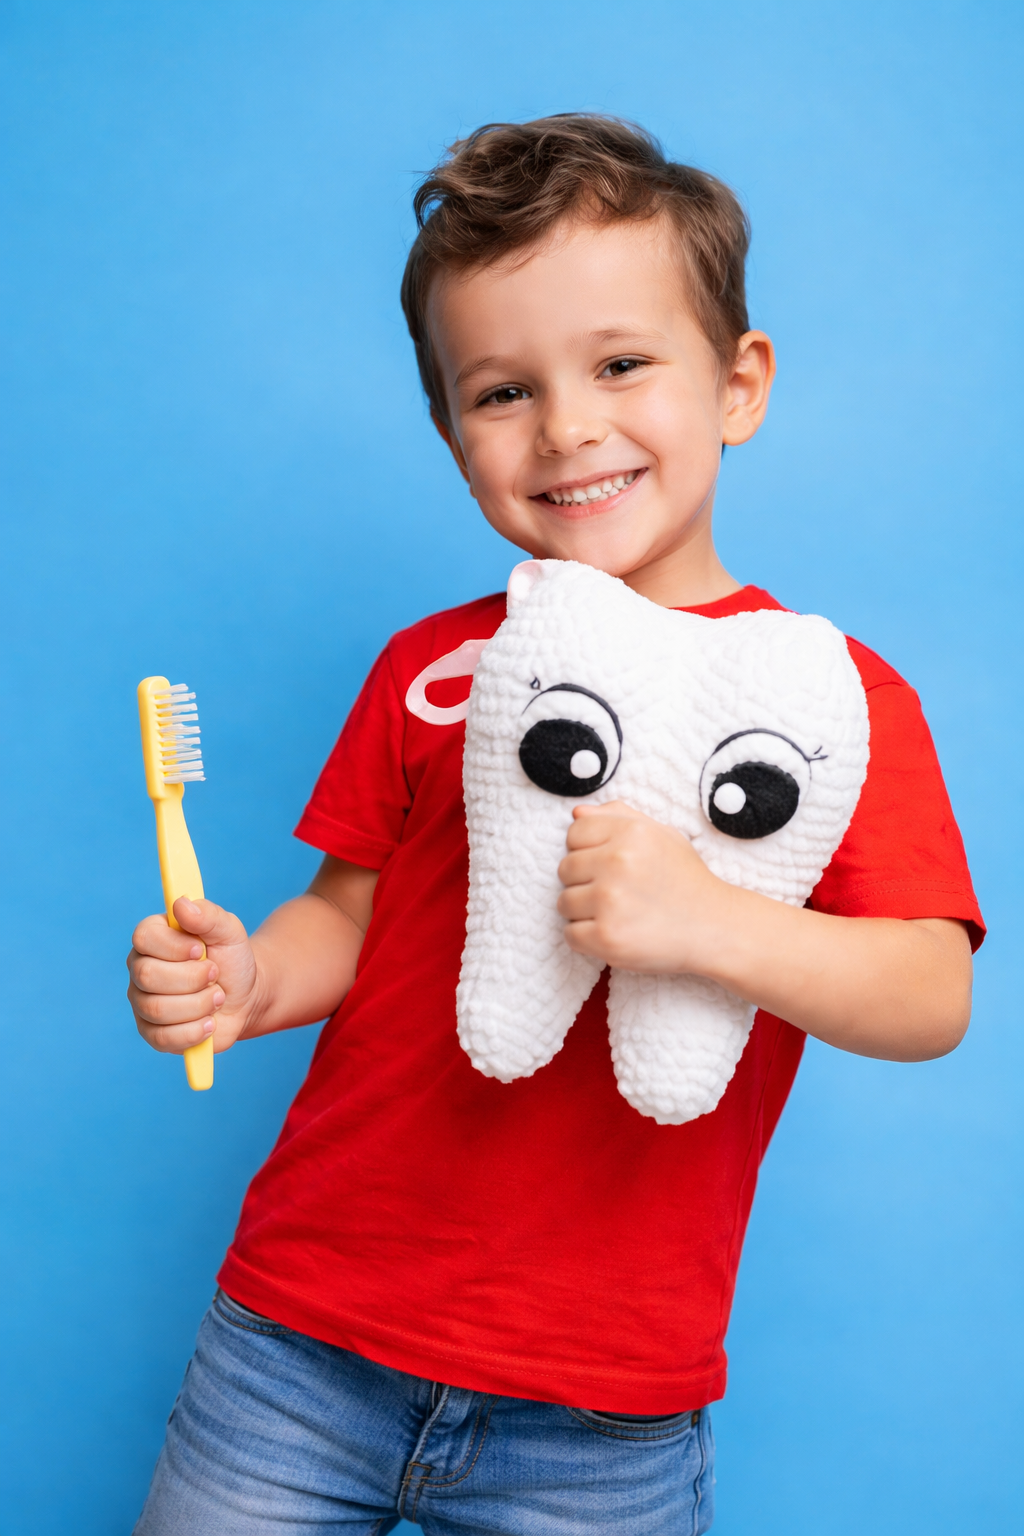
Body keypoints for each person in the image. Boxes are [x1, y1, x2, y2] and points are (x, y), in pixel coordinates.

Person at [128, 115, 984, 1535]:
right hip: (298, 1344)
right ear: (452, 430)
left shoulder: (829, 701)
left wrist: (710, 922)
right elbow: (345, 913)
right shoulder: (433, 670)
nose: (570, 427)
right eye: (503, 391)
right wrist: (250, 980)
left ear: (739, 384)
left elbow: (927, 989)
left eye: (623, 365)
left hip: (601, 1413)